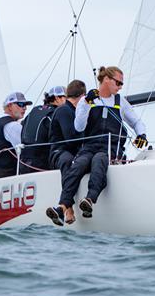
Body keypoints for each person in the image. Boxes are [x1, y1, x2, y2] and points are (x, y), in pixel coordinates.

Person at [63, 66, 147, 219]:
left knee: (99, 160)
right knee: (78, 165)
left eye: (121, 84)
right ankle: (63, 204)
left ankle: (89, 199)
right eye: (118, 83)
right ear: (106, 80)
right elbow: (78, 127)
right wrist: (87, 103)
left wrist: (142, 134)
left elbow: (137, 122)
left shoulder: (120, 101)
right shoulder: (86, 100)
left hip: (111, 148)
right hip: (89, 147)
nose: (120, 87)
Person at [45, 79, 86, 226]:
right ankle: (68, 208)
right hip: (59, 152)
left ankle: (64, 207)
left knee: (79, 161)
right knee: (68, 161)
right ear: (82, 96)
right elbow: (71, 139)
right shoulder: (64, 110)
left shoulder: (74, 111)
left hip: (72, 151)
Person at [20, 86, 66, 173]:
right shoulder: (57, 113)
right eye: (66, 97)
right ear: (57, 98)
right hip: (43, 164)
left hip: (24, 163)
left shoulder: (34, 110)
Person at [0, 92, 32, 179]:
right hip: (10, 176)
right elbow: (26, 151)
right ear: (10, 106)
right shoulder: (12, 125)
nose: (25, 108)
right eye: (21, 104)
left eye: (26, 105)